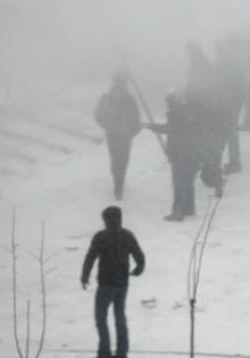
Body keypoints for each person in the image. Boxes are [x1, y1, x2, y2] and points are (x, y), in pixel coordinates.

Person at [81, 206, 145, 358]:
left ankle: (104, 351)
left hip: (105, 284)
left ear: (105, 220)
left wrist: (85, 276)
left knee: (101, 317)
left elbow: (90, 257)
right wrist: (138, 269)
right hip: (122, 284)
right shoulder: (127, 236)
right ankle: (122, 351)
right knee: (119, 316)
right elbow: (139, 256)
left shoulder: (101, 237)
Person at [148, 92, 200, 221]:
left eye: (168, 103)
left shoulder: (177, 115)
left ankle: (178, 211)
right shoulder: (188, 113)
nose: (167, 106)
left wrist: (151, 126)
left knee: (179, 183)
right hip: (193, 153)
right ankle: (189, 208)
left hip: (181, 154)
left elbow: (169, 129)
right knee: (188, 182)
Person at [94, 74, 141, 201]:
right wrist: (132, 131)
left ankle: (117, 180)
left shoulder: (106, 98)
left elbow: (98, 116)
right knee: (123, 160)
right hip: (124, 135)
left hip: (112, 135)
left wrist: (108, 126)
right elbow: (136, 118)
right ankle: (119, 185)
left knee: (115, 158)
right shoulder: (129, 99)